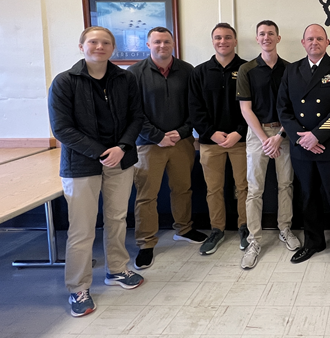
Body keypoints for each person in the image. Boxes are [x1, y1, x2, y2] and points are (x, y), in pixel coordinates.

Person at [48, 26, 145, 317]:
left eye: (105, 42)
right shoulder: (65, 82)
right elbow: (62, 128)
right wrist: (101, 151)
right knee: (81, 228)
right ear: (81, 46)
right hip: (81, 164)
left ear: (113, 48)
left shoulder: (125, 79)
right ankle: (78, 287)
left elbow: (136, 117)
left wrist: (122, 147)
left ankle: (117, 269)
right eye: (93, 42)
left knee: (116, 218)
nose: (99, 47)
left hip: (121, 159)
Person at [277, 24, 330, 278]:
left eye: (319, 38)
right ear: (302, 42)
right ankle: (314, 242)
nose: (314, 42)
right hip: (302, 147)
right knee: (308, 197)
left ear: (327, 42)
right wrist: (303, 138)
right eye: (310, 39)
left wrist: (317, 135)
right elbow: (283, 109)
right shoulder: (292, 70)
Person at [127, 27, 206, 270]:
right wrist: (157, 136)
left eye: (167, 42)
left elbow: (195, 106)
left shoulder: (187, 70)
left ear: (174, 44)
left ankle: (183, 229)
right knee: (146, 196)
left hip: (181, 142)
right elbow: (132, 112)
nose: (162, 46)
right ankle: (146, 243)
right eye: (157, 42)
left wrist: (182, 132)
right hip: (148, 145)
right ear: (148, 44)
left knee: (183, 189)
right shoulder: (134, 73)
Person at [237, 20, 301, 270]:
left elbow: (294, 108)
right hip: (258, 134)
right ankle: (254, 240)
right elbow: (245, 108)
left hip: (285, 133)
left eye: (271, 34)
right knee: (255, 189)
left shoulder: (290, 69)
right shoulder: (247, 69)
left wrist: (280, 136)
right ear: (257, 38)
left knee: (286, 184)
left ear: (278, 38)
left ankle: (285, 229)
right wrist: (265, 139)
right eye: (262, 34)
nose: (266, 37)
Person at [189, 22, 249, 255]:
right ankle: (217, 229)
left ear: (235, 41)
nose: (222, 41)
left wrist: (239, 132)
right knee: (213, 189)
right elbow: (194, 108)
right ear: (213, 41)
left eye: (227, 37)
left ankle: (245, 227)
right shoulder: (199, 72)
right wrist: (211, 132)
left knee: (243, 187)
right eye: (218, 38)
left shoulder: (247, 69)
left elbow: (254, 107)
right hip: (209, 142)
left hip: (240, 141)